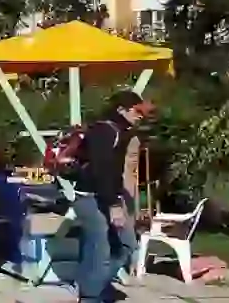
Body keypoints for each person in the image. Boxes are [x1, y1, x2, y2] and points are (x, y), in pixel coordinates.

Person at [72, 90, 152, 303]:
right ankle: (91, 295)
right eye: (137, 111)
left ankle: (95, 287)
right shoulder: (104, 130)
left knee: (126, 245)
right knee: (99, 251)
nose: (140, 115)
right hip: (90, 198)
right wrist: (114, 204)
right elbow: (102, 170)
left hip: (104, 197)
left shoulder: (119, 131)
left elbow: (113, 171)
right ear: (121, 110)